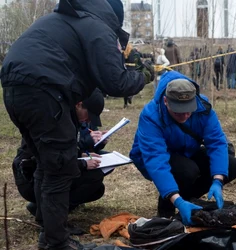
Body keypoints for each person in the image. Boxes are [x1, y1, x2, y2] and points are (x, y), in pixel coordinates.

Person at [0, 0, 150, 248]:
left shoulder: (64, 20)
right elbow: (116, 83)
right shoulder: (98, 27)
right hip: (45, 90)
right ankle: (56, 243)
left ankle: (48, 227)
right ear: (114, 16)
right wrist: (144, 74)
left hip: (15, 89)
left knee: (46, 161)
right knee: (60, 167)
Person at [130, 71, 236, 225]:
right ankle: (169, 204)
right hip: (154, 157)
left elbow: (216, 142)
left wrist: (217, 180)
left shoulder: (203, 108)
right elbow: (156, 159)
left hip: (187, 150)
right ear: (165, 101)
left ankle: (189, 199)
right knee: (187, 171)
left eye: (188, 110)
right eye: (178, 111)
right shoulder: (151, 116)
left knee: (232, 166)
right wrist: (177, 201)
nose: (184, 116)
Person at [13, 90, 107, 220]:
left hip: (43, 174)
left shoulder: (69, 116)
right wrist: (83, 163)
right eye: (88, 115)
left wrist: (81, 153)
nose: (88, 120)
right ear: (78, 105)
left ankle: (48, 207)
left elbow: (64, 149)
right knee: (94, 176)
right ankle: (49, 212)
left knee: (97, 189)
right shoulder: (57, 119)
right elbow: (50, 158)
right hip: (30, 179)